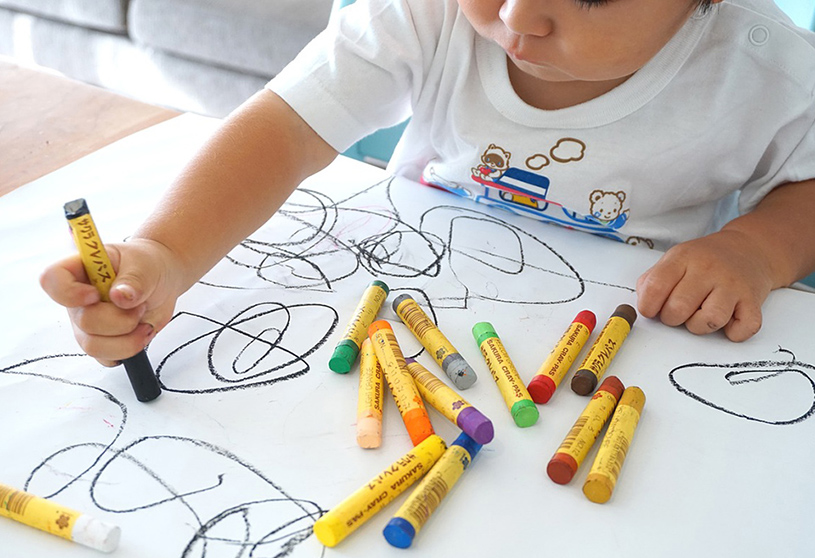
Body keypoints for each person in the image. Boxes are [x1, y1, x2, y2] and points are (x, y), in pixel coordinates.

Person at [40, 0, 815, 367]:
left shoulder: (764, 68)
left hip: (627, 350)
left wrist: (756, 247)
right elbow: (281, 132)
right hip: (412, 314)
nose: (517, 16)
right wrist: (167, 254)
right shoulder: (426, 12)